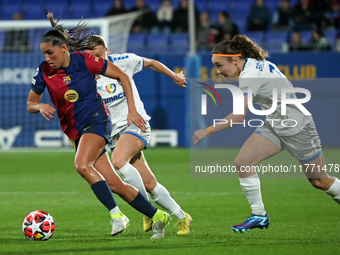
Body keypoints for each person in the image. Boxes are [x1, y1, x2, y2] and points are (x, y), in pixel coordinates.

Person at [26, 12, 170, 239]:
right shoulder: (44, 71)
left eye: (50, 52)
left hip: (96, 121)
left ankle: (116, 216)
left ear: (64, 49)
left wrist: (132, 110)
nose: (47, 57)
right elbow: (30, 103)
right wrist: (40, 107)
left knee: (82, 165)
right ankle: (158, 215)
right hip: (75, 132)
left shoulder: (85, 61)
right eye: (44, 53)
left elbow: (122, 76)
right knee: (115, 184)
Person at [193, 35, 340, 233]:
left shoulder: (249, 75)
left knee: (320, 181)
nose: (218, 71)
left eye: (220, 65)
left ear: (234, 59)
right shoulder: (253, 64)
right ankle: (259, 215)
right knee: (243, 162)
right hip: (276, 124)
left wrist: (207, 130)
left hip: (298, 128)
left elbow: (239, 116)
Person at [85, 35, 192, 235]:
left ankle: (146, 210)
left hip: (137, 123)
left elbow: (151, 63)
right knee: (150, 184)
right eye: (93, 58)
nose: (97, 61)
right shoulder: (88, 75)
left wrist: (174, 76)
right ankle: (182, 216)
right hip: (115, 134)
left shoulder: (123, 61)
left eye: (100, 55)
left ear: (107, 51)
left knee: (118, 161)